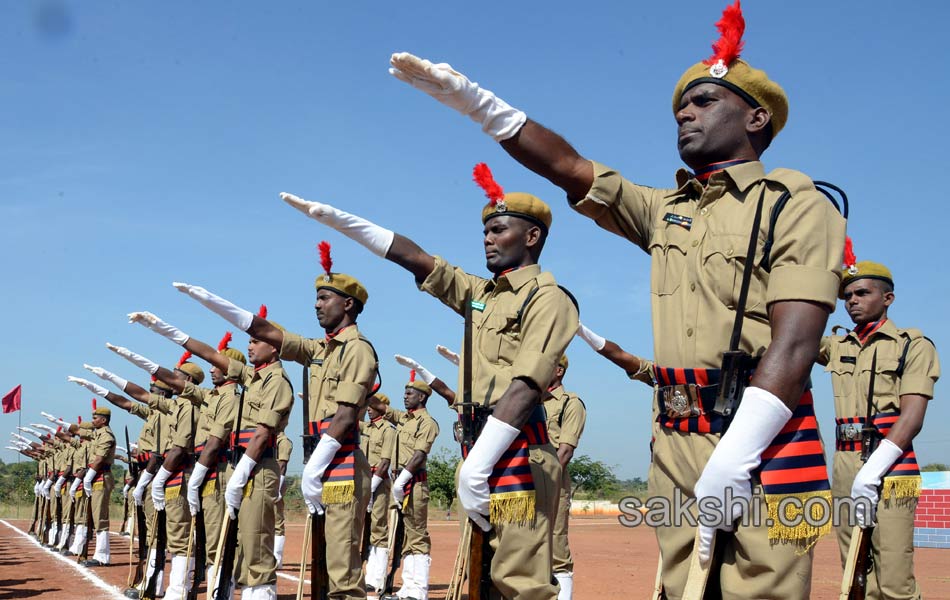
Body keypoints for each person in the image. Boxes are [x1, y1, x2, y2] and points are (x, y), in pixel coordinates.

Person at [387, 2, 845, 596]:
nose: (685, 111)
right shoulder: (667, 210)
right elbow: (573, 169)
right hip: (677, 442)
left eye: (705, 100)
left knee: (762, 592)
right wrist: (483, 108)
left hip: (762, 438)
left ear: (757, 117)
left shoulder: (796, 203)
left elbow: (797, 340)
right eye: (681, 104)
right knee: (681, 588)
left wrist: (739, 452)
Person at [280, 160, 578, 599]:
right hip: (480, 450)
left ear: (532, 237)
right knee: (485, 580)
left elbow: (526, 385)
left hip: (519, 454)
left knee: (520, 584)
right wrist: (347, 224)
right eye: (486, 231)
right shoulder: (480, 294)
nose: (488, 238)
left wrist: (479, 462)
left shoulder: (548, 298)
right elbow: (420, 262)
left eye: (500, 230)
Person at [170, 244, 378, 600]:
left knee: (342, 567)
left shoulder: (357, 348)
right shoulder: (321, 349)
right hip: (324, 460)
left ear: (348, 304)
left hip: (339, 462)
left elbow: (345, 414)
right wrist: (215, 304)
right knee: (328, 562)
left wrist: (313, 468)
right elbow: (271, 332)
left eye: (324, 298)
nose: (316, 305)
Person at [128, 308, 294, 600]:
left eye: (256, 340)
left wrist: (239, 474)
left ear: (274, 345)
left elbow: (261, 433)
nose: (250, 345)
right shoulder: (252, 378)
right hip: (236, 467)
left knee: (252, 543)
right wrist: (165, 329)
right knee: (234, 540)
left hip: (253, 467)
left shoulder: (275, 381)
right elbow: (207, 355)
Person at [819, 257, 940, 599]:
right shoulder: (836, 345)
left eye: (861, 293)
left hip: (889, 465)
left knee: (893, 576)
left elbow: (912, 417)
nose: (852, 301)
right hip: (844, 464)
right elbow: (792, 332)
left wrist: (872, 471)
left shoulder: (912, 346)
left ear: (888, 298)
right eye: (846, 296)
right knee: (856, 571)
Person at [367, 370, 439, 600]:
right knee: (406, 537)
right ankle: (408, 587)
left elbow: (419, 455)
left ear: (422, 397)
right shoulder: (404, 419)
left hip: (414, 483)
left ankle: (419, 589)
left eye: (410, 393)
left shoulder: (427, 423)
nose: (405, 396)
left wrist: (402, 480)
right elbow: (380, 408)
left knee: (417, 535)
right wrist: (365, 387)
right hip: (402, 482)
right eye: (405, 393)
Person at [542, 355, 586, 600]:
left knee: (556, 544)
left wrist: (545, 483)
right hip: (525, 480)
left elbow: (565, 450)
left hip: (553, 481)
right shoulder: (531, 401)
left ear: (559, 371)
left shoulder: (571, 403)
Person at [360, 392, 396, 595]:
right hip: (365, 480)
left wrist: (372, 486)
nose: (369, 409)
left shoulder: (387, 430)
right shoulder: (367, 428)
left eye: (373, 406)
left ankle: (377, 577)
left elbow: (385, 461)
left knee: (378, 527)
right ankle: (367, 574)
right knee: (364, 529)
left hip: (378, 482)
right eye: (368, 405)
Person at [80, 402, 116, 567]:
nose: (92, 421)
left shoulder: (106, 436)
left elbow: (100, 458)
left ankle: (102, 555)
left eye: (95, 418)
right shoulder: (98, 433)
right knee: (94, 516)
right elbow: (80, 428)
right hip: (96, 476)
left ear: (103, 420)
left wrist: (88, 477)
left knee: (100, 516)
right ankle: (99, 553)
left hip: (101, 476)